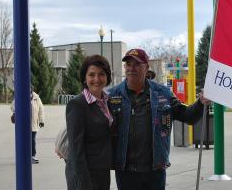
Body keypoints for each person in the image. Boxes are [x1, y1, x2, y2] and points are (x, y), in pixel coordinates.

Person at [108, 48, 211, 190]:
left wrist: (200, 103)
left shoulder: (162, 93)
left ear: (146, 67)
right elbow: (95, 124)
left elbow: (188, 116)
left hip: (155, 170)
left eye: (137, 64)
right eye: (128, 64)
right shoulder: (112, 95)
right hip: (126, 171)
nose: (132, 68)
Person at [65, 55, 115, 190]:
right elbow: (76, 150)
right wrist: (84, 184)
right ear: (85, 78)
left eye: (101, 74)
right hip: (84, 175)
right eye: (91, 74)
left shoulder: (107, 102)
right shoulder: (77, 104)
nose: (97, 79)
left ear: (107, 77)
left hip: (102, 172)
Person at [11, 88, 45, 164]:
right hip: (22, 124)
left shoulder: (36, 97)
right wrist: (17, 109)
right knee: (23, 140)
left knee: (32, 140)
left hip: (33, 123)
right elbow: (13, 106)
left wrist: (41, 120)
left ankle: (32, 156)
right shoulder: (20, 95)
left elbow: (41, 109)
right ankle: (22, 156)